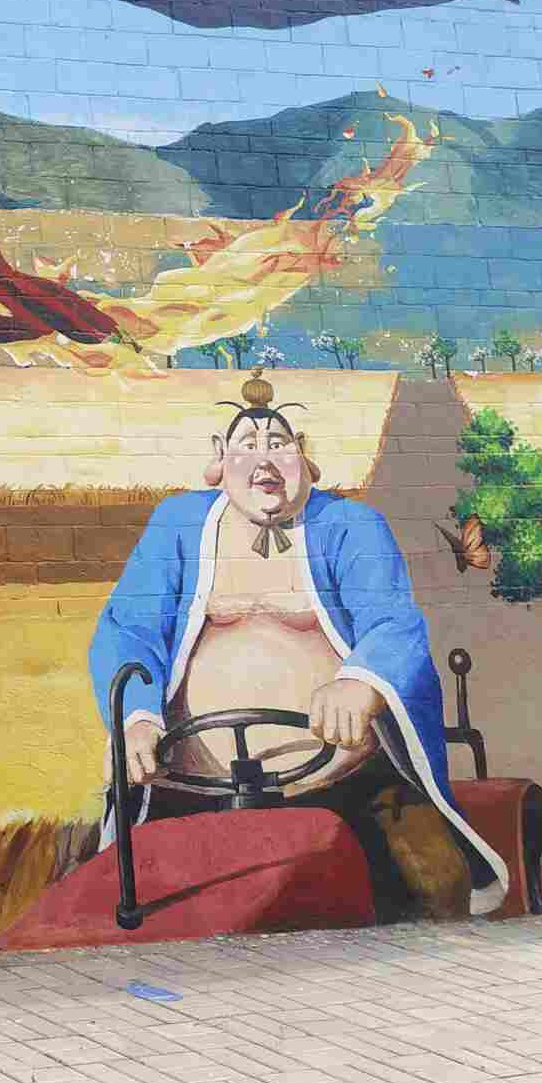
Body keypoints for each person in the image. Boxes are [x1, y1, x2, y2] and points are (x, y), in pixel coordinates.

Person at [88, 373, 506, 919]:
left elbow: (393, 622)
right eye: (248, 445)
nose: (265, 459)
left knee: (438, 883)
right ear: (219, 462)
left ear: (305, 460)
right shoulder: (178, 524)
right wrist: (137, 718)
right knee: (118, 903)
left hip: (345, 782)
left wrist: (359, 682)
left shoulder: (351, 525)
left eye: (280, 444)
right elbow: (129, 627)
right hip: (191, 788)